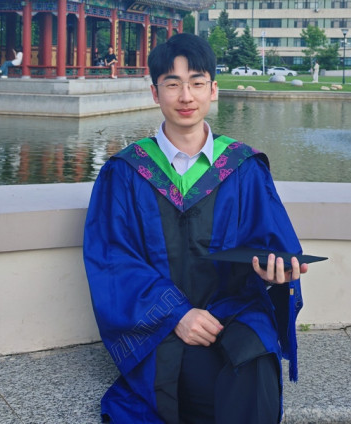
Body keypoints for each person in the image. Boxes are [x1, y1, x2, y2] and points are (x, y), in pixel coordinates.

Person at [83, 33, 307, 424]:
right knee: (218, 392)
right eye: (173, 84)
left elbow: (272, 246)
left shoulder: (243, 168)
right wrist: (177, 314)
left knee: (257, 367)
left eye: (197, 83)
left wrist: (277, 276)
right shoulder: (125, 173)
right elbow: (113, 262)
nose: (186, 96)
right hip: (161, 328)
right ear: (155, 93)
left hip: (236, 312)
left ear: (212, 90)